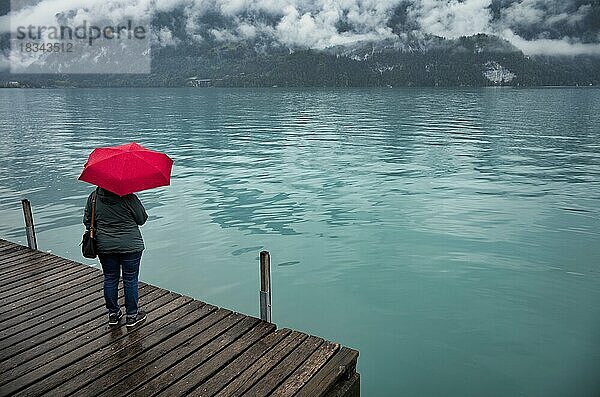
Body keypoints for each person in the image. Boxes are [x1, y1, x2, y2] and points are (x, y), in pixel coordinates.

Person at [83, 187, 149, 327]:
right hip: (130, 245)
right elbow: (142, 219)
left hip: (105, 246)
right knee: (130, 279)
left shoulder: (94, 197)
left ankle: (113, 314)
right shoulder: (129, 197)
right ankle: (132, 315)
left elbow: (88, 221)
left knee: (110, 278)